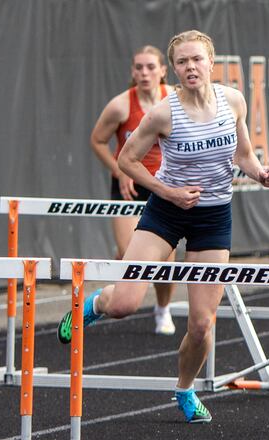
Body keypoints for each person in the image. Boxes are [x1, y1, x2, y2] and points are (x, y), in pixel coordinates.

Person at [57, 30, 269, 424]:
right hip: (166, 211)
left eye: (197, 60)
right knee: (125, 304)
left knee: (200, 324)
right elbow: (127, 161)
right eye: (182, 62)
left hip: (213, 217)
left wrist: (260, 172)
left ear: (212, 63)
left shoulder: (233, 102)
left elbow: (244, 155)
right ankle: (94, 303)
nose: (191, 67)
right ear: (173, 69)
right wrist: (169, 191)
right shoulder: (164, 111)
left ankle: (185, 389)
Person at [89, 46, 177, 335]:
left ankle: (163, 309)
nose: (144, 73)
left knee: (166, 260)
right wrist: (118, 170)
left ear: (163, 70)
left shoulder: (175, 99)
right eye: (138, 67)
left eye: (151, 67)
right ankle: (114, 296)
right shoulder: (121, 106)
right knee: (130, 253)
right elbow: (97, 140)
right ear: (132, 72)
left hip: (163, 185)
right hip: (128, 184)